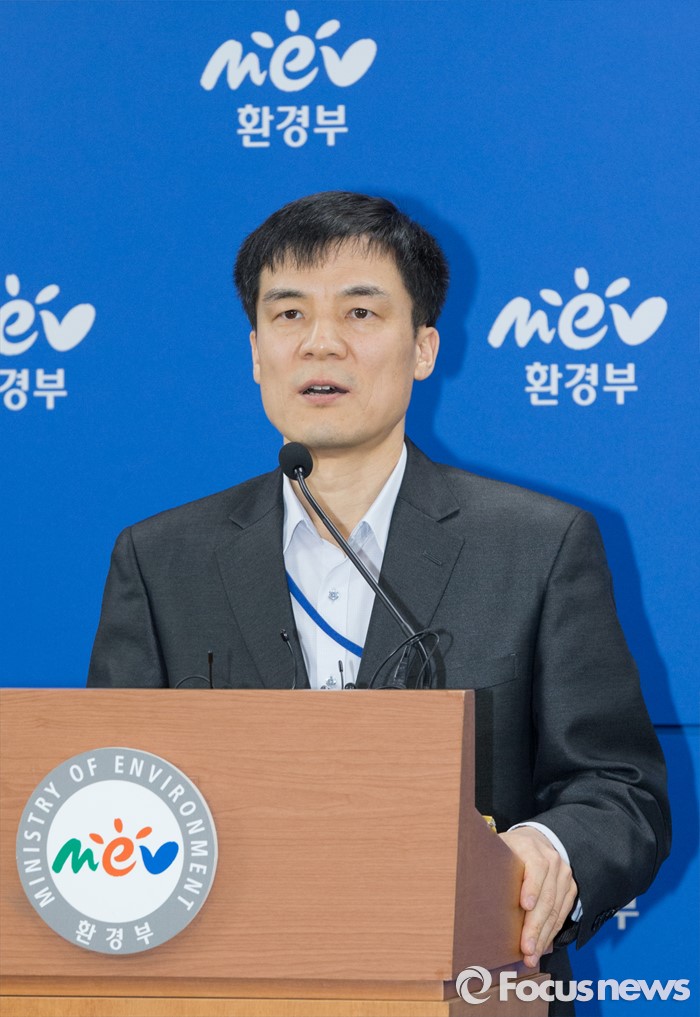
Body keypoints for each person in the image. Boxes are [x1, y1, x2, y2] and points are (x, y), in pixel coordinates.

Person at [88, 191, 670, 1012]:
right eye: (288, 314)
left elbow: (620, 788)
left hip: (463, 989)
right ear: (256, 352)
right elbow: (108, 793)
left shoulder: (539, 545)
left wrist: (548, 848)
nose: (320, 342)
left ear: (424, 347)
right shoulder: (160, 560)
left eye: (360, 312)